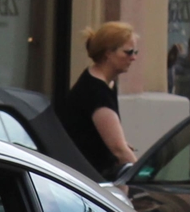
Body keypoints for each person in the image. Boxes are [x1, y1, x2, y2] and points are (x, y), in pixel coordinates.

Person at [58, 21, 141, 177]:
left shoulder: (105, 83)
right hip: (87, 180)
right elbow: (118, 149)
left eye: (135, 52)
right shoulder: (96, 91)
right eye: (128, 52)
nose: (133, 58)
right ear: (108, 53)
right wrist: (142, 178)